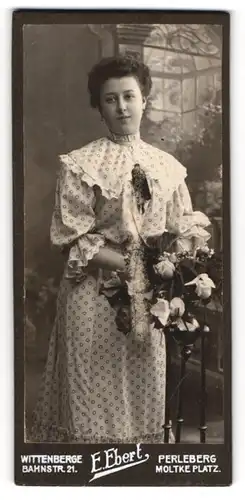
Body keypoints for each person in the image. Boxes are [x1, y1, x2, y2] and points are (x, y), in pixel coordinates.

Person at [31, 56, 210, 443]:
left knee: (142, 394)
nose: (122, 107)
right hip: (93, 297)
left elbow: (182, 231)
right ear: (99, 107)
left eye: (129, 96)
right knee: (89, 399)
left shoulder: (168, 167)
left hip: (150, 300)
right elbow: (73, 239)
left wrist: (177, 275)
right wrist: (139, 267)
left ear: (144, 98)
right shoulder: (81, 165)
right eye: (110, 99)